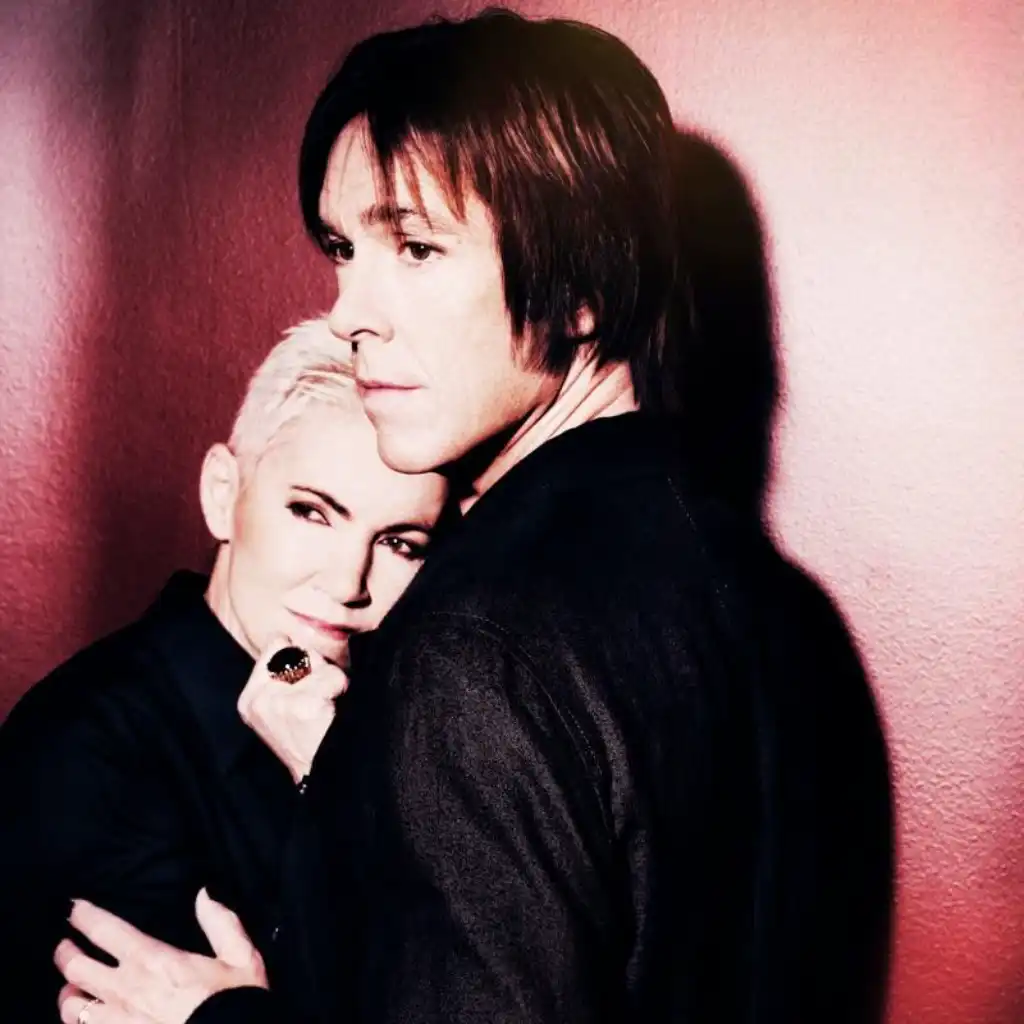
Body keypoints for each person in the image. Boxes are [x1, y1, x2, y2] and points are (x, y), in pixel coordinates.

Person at [53, 10, 894, 1024]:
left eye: (414, 246)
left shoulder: (472, 644)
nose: (349, 311)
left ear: (582, 287)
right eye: (343, 248)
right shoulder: (773, 600)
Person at [0, 317, 449, 1021]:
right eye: (312, 512)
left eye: (400, 543)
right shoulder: (89, 750)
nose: (347, 581)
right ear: (221, 494)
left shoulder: (370, 714)